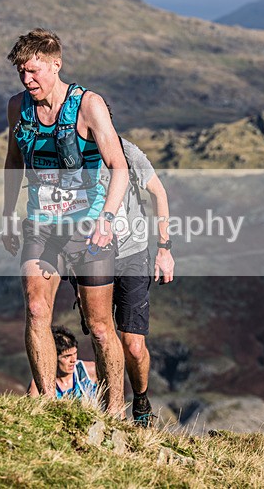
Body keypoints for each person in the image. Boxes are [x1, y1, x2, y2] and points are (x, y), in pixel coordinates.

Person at [2, 28, 129, 415]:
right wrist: (8, 214)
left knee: (101, 325)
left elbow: (119, 167)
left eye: (34, 71)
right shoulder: (17, 107)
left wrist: (107, 218)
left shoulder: (88, 105)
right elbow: (13, 161)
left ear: (56, 64)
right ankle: (47, 404)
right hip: (41, 226)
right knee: (37, 310)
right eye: (21, 72)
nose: (27, 80)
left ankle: (115, 412)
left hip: (89, 229)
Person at [72, 136, 175, 427]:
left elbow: (159, 194)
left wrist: (164, 250)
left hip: (132, 253)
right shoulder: (68, 150)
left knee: (133, 346)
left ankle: (140, 398)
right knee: (102, 333)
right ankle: (112, 409)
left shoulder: (127, 152)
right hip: (89, 253)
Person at [28, 326, 98, 400]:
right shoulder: (40, 383)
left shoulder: (89, 371)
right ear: (53, 358)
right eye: (66, 356)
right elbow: (31, 409)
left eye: (75, 353)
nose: (73, 360)